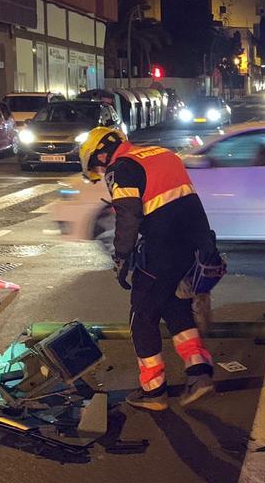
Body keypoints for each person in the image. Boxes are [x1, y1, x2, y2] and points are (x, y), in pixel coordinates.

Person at [79, 126, 217, 411]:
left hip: (162, 250)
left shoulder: (122, 168)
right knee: (174, 308)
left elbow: (128, 216)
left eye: (96, 165)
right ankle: (199, 374)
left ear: (102, 154)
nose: (101, 171)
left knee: (141, 317)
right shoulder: (163, 154)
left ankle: (154, 392)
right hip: (194, 247)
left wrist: (121, 257)